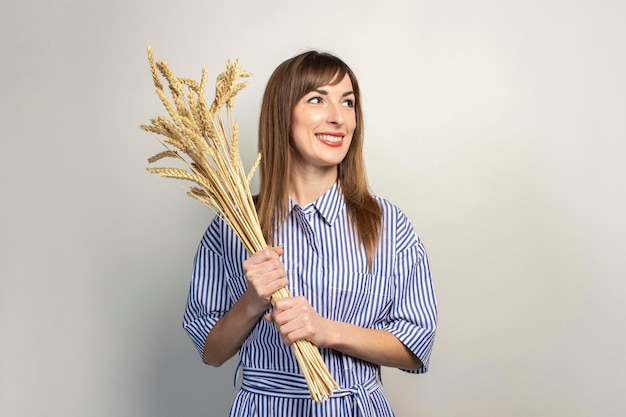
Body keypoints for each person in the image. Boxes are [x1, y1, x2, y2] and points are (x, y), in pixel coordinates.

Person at [183, 50, 437, 416]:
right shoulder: (234, 226)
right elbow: (211, 352)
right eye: (317, 99)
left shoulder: (387, 224)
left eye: (348, 103)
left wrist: (324, 331)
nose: (338, 118)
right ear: (282, 115)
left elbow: (416, 349)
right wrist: (253, 302)